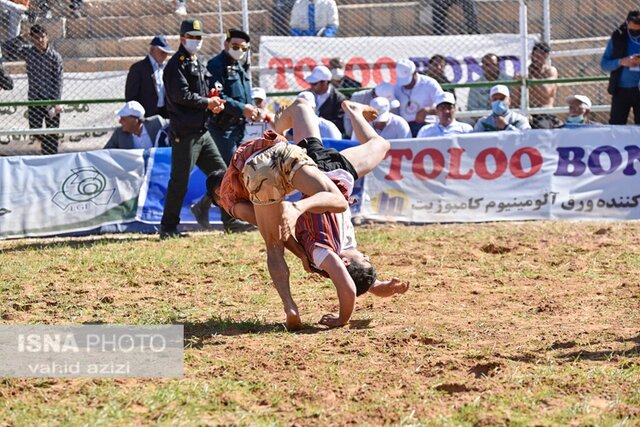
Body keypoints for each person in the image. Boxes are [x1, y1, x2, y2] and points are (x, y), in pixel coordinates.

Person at [160, 18, 249, 238]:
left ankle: (230, 220)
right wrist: (207, 103)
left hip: (202, 130)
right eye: (192, 37)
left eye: (199, 37)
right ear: (182, 39)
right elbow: (181, 96)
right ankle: (169, 227)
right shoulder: (176, 65)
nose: (196, 41)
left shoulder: (197, 61)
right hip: (185, 132)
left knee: (223, 175)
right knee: (179, 180)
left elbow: (206, 91)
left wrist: (214, 104)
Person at [207, 28, 261, 165]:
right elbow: (218, 95)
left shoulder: (239, 67)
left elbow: (244, 93)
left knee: (243, 167)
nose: (240, 51)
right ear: (226, 44)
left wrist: (253, 109)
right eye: (235, 46)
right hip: (223, 128)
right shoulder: (216, 65)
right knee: (232, 168)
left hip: (240, 128)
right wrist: (242, 108)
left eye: (244, 48)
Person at [18, 24, 63, 155]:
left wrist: (56, 102)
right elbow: (9, 48)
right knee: (34, 130)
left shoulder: (55, 57)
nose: (40, 40)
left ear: (47, 37)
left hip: (51, 100)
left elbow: (58, 81)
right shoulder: (28, 52)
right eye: (37, 38)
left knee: (53, 133)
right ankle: (46, 145)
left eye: (43, 37)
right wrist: (22, 37)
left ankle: (50, 156)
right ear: (32, 38)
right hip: (34, 99)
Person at [601, 10, 640, 125]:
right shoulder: (618, 37)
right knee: (616, 125)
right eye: (632, 30)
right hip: (621, 90)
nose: (635, 32)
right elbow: (604, 64)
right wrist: (621, 62)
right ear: (627, 23)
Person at [512, 42, 561, 129]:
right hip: (526, 112)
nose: (537, 59)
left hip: (545, 112)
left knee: (542, 127)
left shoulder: (550, 71)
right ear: (531, 56)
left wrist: (530, 79)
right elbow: (515, 100)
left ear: (546, 57)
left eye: (541, 56)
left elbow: (546, 92)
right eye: (536, 56)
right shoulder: (523, 73)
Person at [125, 35, 174, 119]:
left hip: (164, 113)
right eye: (162, 52)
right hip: (146, 114)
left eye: (166, 53)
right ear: (152, 50)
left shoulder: (165, 68)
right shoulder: (138, 69)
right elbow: (131, 96)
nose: (165, 56)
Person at [393, 58, 445, 137]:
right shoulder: (396, 86)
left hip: (427, 125)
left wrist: (427, 111)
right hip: (404, 127)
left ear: (415, 73)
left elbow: (444, 105)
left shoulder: (429, 84)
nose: (406, 84)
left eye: (408, 80)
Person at [104, 101, 169, 149]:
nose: (120, 121)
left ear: (135, 121)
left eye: (123, 119)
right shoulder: (119, 133)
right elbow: (105, 152)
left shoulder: (157, 123)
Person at [306, 64, 347, 135]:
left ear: (324, 83)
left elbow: (340, 124)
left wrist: (322, 122)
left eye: (314, 84)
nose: (311, 86)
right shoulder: (307, 94)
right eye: (311, 83)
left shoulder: (339, 99)